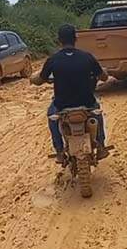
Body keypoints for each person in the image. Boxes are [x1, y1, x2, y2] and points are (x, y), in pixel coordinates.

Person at [30, 24, 110, 163]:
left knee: (52, 117)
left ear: (59, 40)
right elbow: (104, 77)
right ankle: (101, 146)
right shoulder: (87, 57)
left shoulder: (53, 60)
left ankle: (60, 151)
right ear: (75, 38)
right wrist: (103, 72)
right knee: (97, 114)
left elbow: (39, 79)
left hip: (62, 106)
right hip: (87, 104)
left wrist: (33, 78)